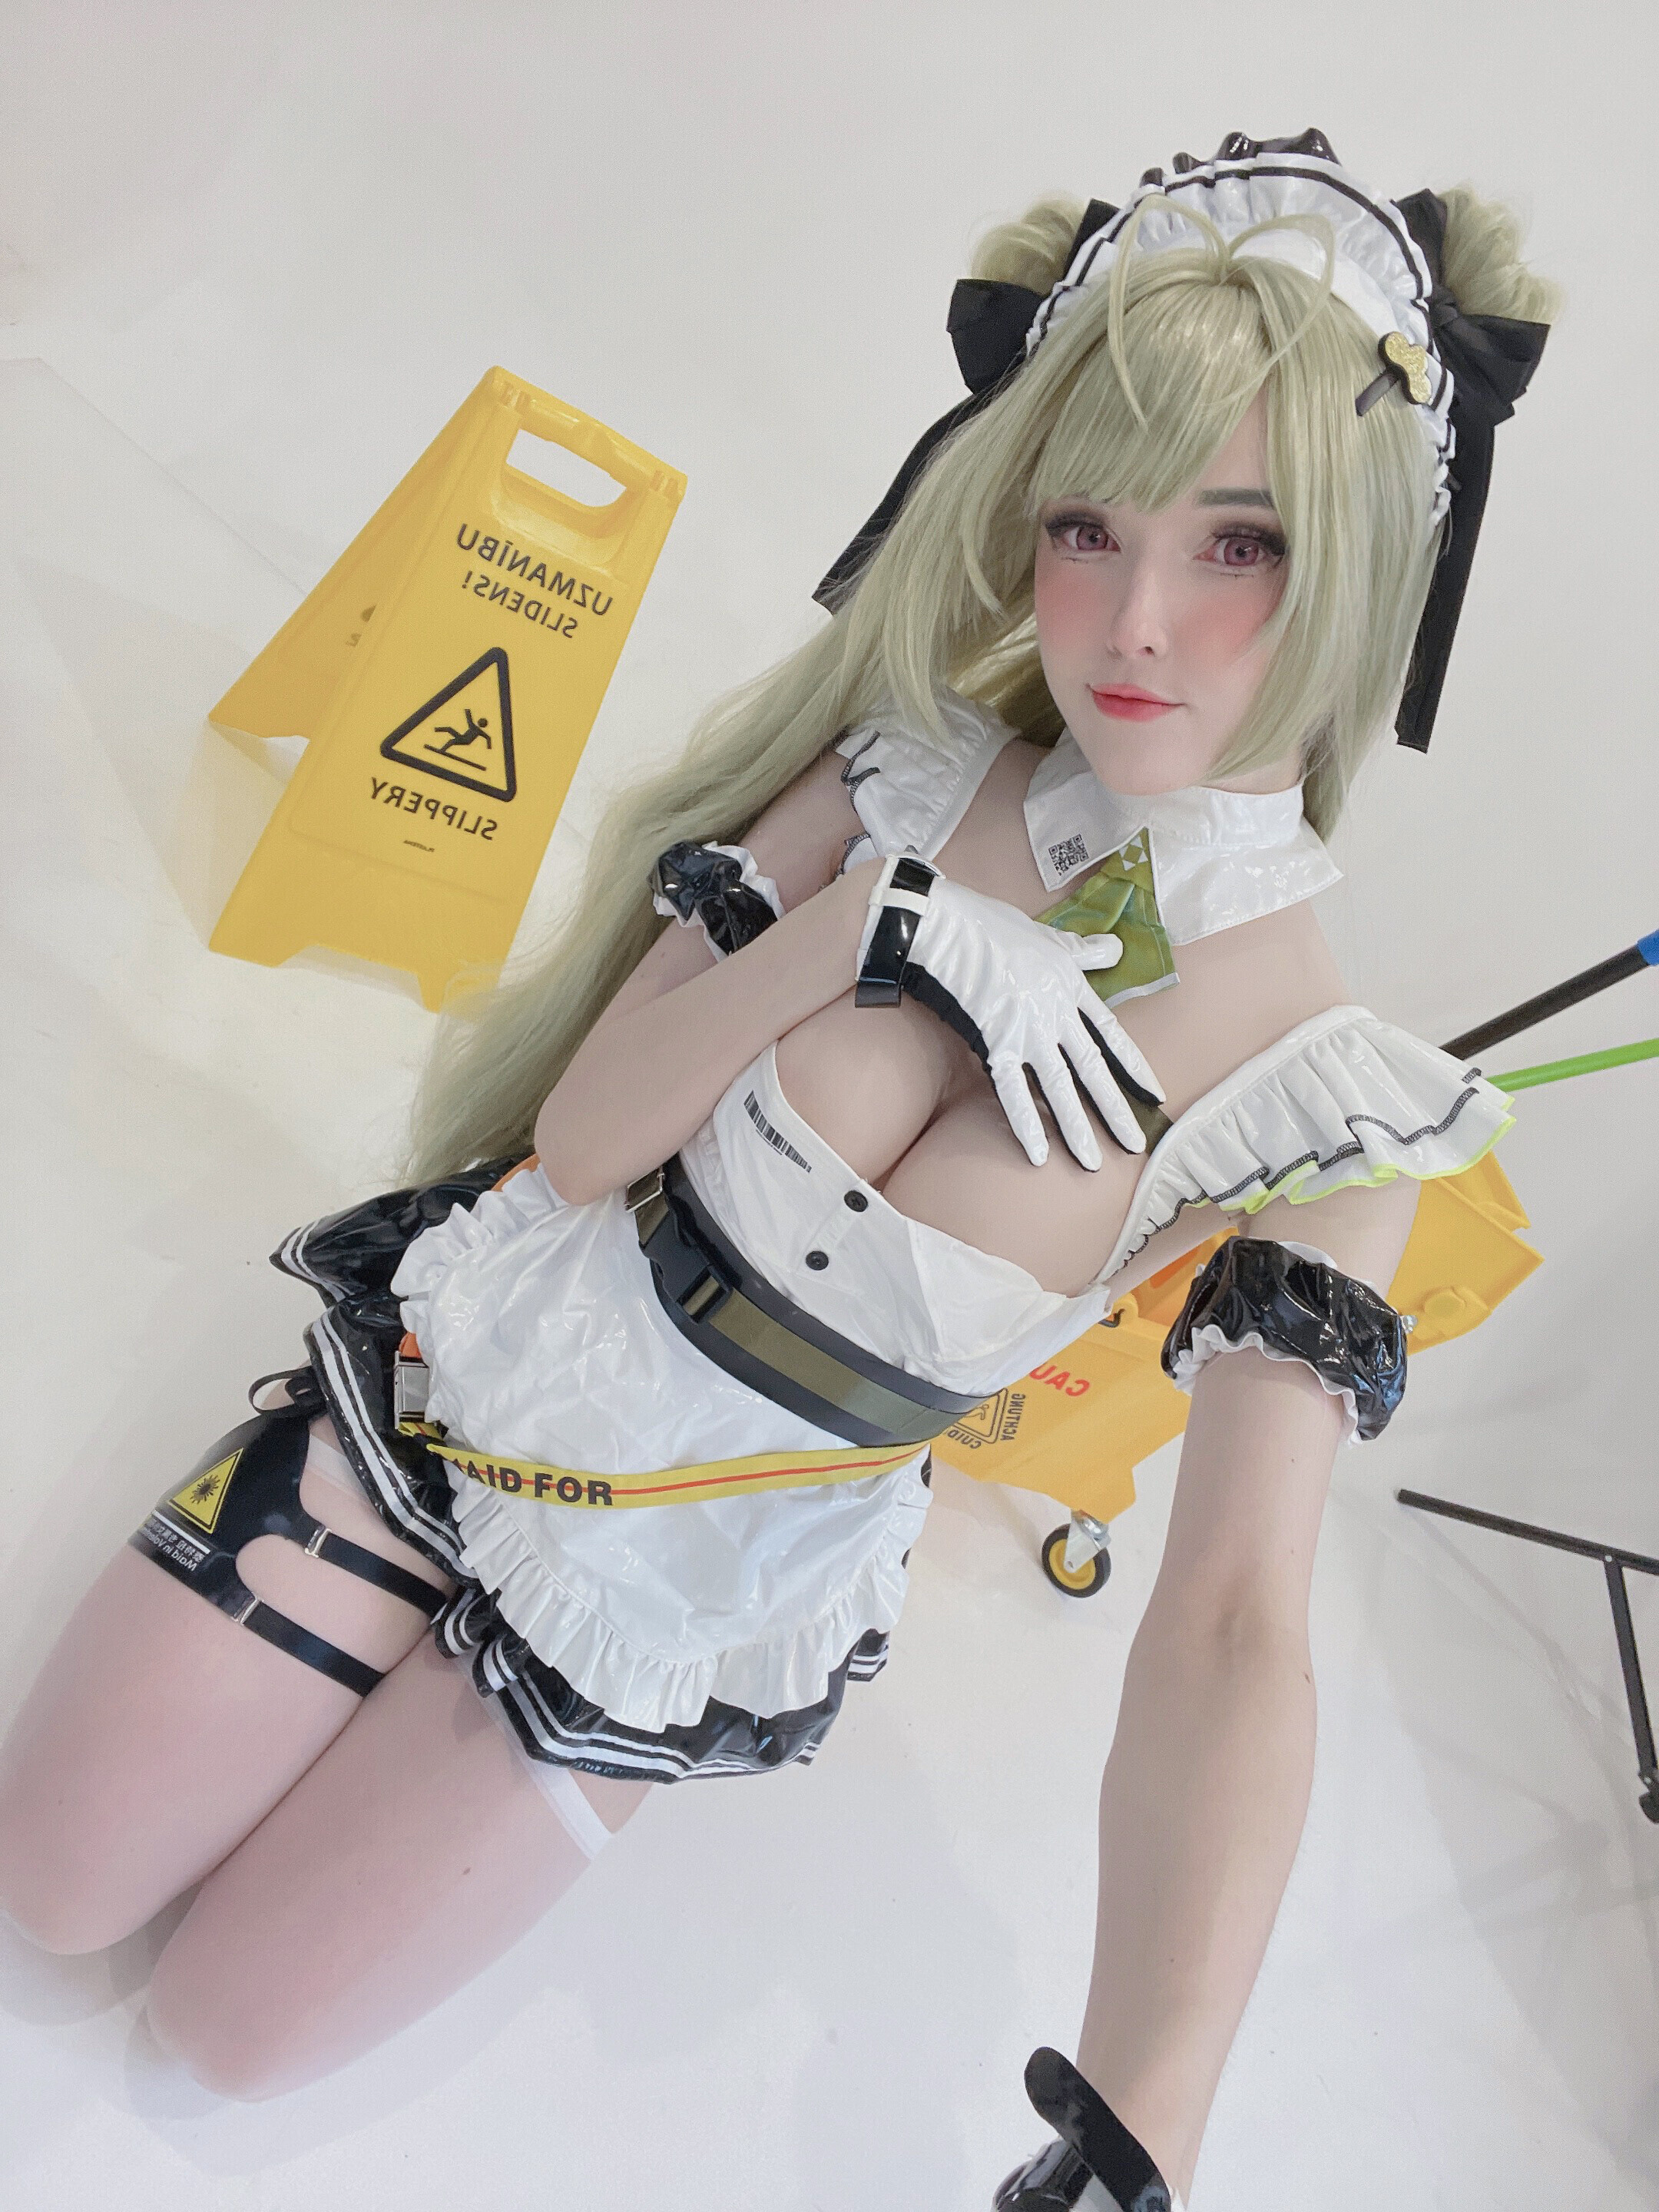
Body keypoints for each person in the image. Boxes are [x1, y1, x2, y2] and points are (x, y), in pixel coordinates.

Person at [0, 131, 1555, 2209]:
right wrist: (870, 932)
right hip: (467, 1388)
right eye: (1085, 528)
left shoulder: (1332, 1104)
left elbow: (1234, 1627)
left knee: (217, 2039)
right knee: (47, 1880)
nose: (1136, 622)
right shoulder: (911, 764)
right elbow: (582, 1141)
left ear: (1364, 560)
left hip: (673, 1595)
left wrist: (1143, 2124)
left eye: (1241, 546)